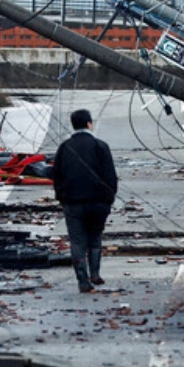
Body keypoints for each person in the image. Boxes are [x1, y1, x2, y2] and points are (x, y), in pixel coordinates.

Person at [52, 109, 118, 293]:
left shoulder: (65, 147)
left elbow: (56, 175)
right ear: (89, 124)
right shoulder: (101, 146)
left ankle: (82, 280)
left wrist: (61, 198)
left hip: (73, 203)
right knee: (95, 237)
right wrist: (108, 198)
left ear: (73, 125)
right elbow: (111, 176)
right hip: (98, 202)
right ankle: (95, 274)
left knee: (78, 241)